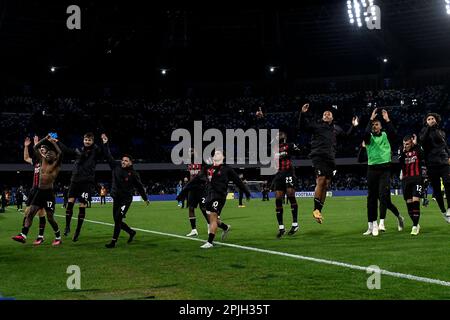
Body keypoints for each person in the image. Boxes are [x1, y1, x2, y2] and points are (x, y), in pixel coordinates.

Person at [298, 103, 359, 224]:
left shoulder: (336, 128)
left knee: (326, 184)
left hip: (330, 158)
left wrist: (354, 126)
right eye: (324, 114)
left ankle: (319, 210)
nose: (326, 114)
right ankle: (315, 209)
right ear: (322, 117)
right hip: (318, 155)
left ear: (332, 117)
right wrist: (302, 114)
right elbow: (302, 127)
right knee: (321, 180)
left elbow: (347, 137)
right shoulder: (316, 125)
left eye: (328, 114)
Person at [184, 150, 251, 248]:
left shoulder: (226, 169)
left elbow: (237, 180)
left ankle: (210, 242)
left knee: (212, 216)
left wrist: (246, 191)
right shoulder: (209, 168)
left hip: (218, 195)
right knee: (211, 216)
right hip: (209, 193)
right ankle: (225, 227)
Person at [12, 136, 63, 246]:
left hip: (49, 193)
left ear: (55, 156)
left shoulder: (56, 164)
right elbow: (35, 148)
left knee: (50, 218)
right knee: (30, 213)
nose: (48, 154)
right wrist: (44, 139)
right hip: (38, 192)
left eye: (51, 153)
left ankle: (58, 237)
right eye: (47, 153)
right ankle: (23, 235)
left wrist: (52, 142)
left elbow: (60, 152)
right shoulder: (42, 160)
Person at [102, 134, 149, 248]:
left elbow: (139, 186)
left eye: (126, 161)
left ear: (130, 163)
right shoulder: (115, 166)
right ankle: (131, 232)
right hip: (116, 198)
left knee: (118, 219)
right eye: (123, 160)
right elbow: (108, 155)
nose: (123, 162)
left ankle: (113, 242)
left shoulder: (133, 174)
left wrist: (145, 198)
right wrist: (105, 143)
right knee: (117, 220)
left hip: (125, 200)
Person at [58, 132, 106, 241]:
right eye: (86, 140)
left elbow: (103, 152)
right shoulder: (78, 150)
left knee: (82, 206)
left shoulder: (95, 151)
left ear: (92, 141)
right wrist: (56, 140)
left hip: (86, 183)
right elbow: (66, 150)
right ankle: (67, 226)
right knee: (69, 204)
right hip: (74, 181)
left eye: (89, 140)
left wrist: (104, 142)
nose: (87, 141)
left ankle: (77, 232)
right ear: (83, 140)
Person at [362, 108, 404, 236]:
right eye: (373, 124)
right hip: (372, 169)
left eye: (377, 124)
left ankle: (382, 223)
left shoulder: (386, 135)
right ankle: (371, 225)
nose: (374, 126)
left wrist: (387, 120)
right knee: (371, 198)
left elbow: (394, 135)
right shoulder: (368, 138)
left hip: (385, 169)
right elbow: (365, 134)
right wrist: (370, 120)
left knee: (383, 197)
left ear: (381, 126)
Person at [360, 140, 403, 232]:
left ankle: (383, 223)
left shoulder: (382, 152)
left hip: (383, 178)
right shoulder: (370, 151)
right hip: (372, 178)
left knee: (384, 200)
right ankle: (371, 226)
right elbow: (360, 159)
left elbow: (389, 156)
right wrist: (363, 148)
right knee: (373, 202)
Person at [418, 113, 450, 223]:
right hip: (431, 164)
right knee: (437, 190)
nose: (431, 120)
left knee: (448, 183)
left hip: (443, 162)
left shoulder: (441, 132)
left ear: (436, 120)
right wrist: (428, 128)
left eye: (433, 119)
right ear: (426, 121)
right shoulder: (423, 132)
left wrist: (449, 156)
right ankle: (443, 211)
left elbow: (443, 144)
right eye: (429, 119)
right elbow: (422, 140)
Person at [270, 131, 302, 238]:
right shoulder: (274, 148)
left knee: (290, 194)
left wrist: (289, 152)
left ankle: (295, 224)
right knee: (278, 198)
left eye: (281, 134)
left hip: (289, 172)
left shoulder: (290, 145)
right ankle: (281, 228)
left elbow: (299, 151)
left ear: (285, 136)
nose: (279, 135)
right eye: (278, 135)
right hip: (279, 175)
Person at [176, 148, 210, 237]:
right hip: (192, 189)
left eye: (192, 151)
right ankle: (194, 230)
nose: (190, 153)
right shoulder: (188, 163)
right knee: (191, 208)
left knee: (203, 209)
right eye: (189, 151)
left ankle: (210, 225)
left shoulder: (202, 161)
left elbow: (208, 170)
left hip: (201, 188)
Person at [23, 136, 47, 245]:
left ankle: (39, 236)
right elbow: (26, 158)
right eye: (40, 148)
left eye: (43, 149)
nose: (41, 149)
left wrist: (36, 145)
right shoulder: (36, 161)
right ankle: (24, 234)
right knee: (27, 212)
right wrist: (26, 147)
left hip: (42, 189)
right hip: (33, 189)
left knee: (41, 213)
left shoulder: (47, 160)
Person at [398, 134, 425, 235]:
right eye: (404, 144)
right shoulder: (401, 150)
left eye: (408, 144)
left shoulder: (418, 148)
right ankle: (416, 224)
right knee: (409, 205)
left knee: (415, 201)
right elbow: (399, 163)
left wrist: (417, 144)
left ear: (412, 142)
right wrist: (403, 152)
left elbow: (423, 157)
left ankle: (414, 226)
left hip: (417, 178)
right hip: (406, 180)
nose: (406, 146)